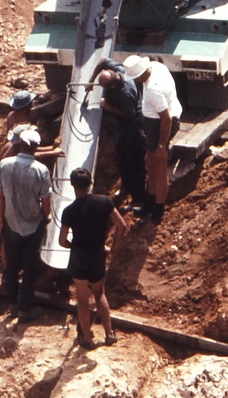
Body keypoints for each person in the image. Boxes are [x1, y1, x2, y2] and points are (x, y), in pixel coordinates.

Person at [59, 166, 126, 350]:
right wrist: (113, 249)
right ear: (90, 184)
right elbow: (122, 225)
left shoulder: (69, 211)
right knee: (99, 293)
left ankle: (87, 338)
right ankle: (109, 333)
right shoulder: (104, 202)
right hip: (98, 254)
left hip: (79, 257)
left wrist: (73, 246)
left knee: (82, 299)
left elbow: (62, 241)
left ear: (73, 186)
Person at [0, 126, 52, 322]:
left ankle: (12, 305)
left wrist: (1, 219)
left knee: (10, 267)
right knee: (29, 268)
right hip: (32, 226)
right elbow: (45, 200)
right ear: (35, 148)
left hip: (10, 223)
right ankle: (24, 309)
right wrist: (47, 216)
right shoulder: (41, 170)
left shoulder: (4, 165)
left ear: (20, 145)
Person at [122, 55, 182, 226]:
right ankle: (151, 200)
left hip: (159, 124)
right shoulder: (156, 66)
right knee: (150, 161)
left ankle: (158, 209)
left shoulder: (153, 90)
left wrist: (162, 146)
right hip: (153, 122)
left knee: (159, 165)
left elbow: (167, 119)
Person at [86, 58, 148, 210]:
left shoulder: (126, 92)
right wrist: (91, 80)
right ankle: (126, 187)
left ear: (113, 85)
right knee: (121, 155)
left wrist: (108, 107)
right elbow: (101, 60)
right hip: (124, 129)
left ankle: (139, 198)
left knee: (134, 164)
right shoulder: (117, 70)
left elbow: (130, 115)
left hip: (135, 128)